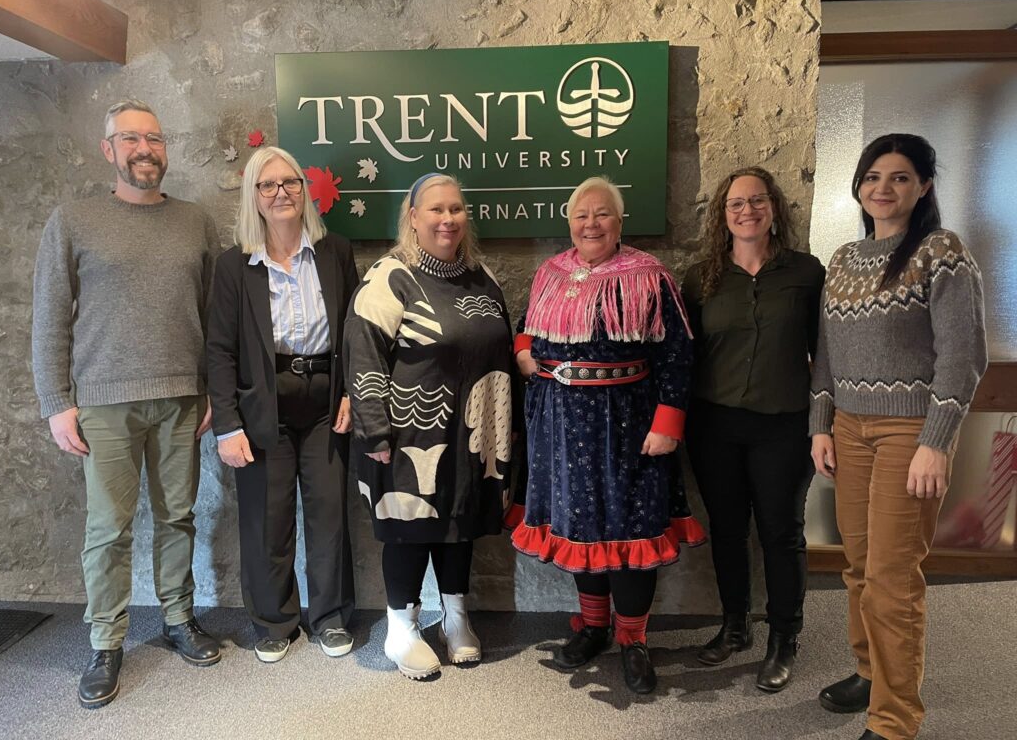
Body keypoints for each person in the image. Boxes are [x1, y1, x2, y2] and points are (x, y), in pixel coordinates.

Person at [32, 99, 220, 709]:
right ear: (108, 149)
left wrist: (215, 388)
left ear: (165, 149)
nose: (145, 149)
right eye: (130, 138)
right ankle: (107, 641)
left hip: (182, 398)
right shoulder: (74, 220)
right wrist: (56, 401)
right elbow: (50, 319)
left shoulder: (195, 222)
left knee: (178, 519)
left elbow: (216, 318)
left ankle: (178, 619)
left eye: (155, 139)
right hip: (103, 405)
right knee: (108, 529)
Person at [810, 134, 987, 740]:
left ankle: (894, 720)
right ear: (859, 185)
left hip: (909, 433)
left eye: (901, 177)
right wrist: (821, 425)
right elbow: (825, 355)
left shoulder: (941, 252)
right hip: (849, 430)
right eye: (873, 176)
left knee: (891, 577)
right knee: (858, 567)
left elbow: (962, 356)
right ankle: (870, 673)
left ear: (924, 188)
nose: (883, 188)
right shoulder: (842, 259)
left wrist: (936, 440)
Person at [511, 176, 704, 695]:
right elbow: (527, 323)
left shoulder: (649, 275)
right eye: (581, 215)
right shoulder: (550, 272)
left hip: (629, 423)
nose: (590, 223)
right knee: (581, 529)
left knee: (631, 527)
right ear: (569, 222)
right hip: (561, 421)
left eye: (602, 214)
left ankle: (633, 640)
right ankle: (594, 626)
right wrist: (525, 350)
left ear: (620, 222)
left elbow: (677, 354)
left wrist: (668, 422)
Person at [344, 173, 513, 679]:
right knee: (409, 526)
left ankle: (455, 618)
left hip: (472, 434)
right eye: (435, 210)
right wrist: (374, 431)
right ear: (413, 217)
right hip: (408, 431)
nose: (447, 219)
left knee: (459, 523)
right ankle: (402, 629)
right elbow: (363, 352)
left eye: (456, 209)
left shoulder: (482, 276)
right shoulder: (389, 276)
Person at [207, 146, 358, 664]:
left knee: (328, 514)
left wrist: (352, 395)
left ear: (303, 189)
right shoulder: (234, 267)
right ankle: (273, 622)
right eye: (267, 186)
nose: (280, 193)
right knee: (266, 518)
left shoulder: (335, 251)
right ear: (255, 196)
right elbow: (220, 350)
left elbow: (355, 333)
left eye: (289, 182)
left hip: (325, 401)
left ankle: (331, 618)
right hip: (262, 407)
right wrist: (226, 423)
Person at [682, 167, 825, 692]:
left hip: (785, 426)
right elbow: (686, 356)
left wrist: (823, 424)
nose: (747, 210)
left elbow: (825, 357)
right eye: (736, 203)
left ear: (774, 209)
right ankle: (735, 626)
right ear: (723, 215)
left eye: (757, 200)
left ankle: (784, 637)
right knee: (727, 530)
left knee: (781, 534)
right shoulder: (702, 278)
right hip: (714, 425)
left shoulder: (807, 273)